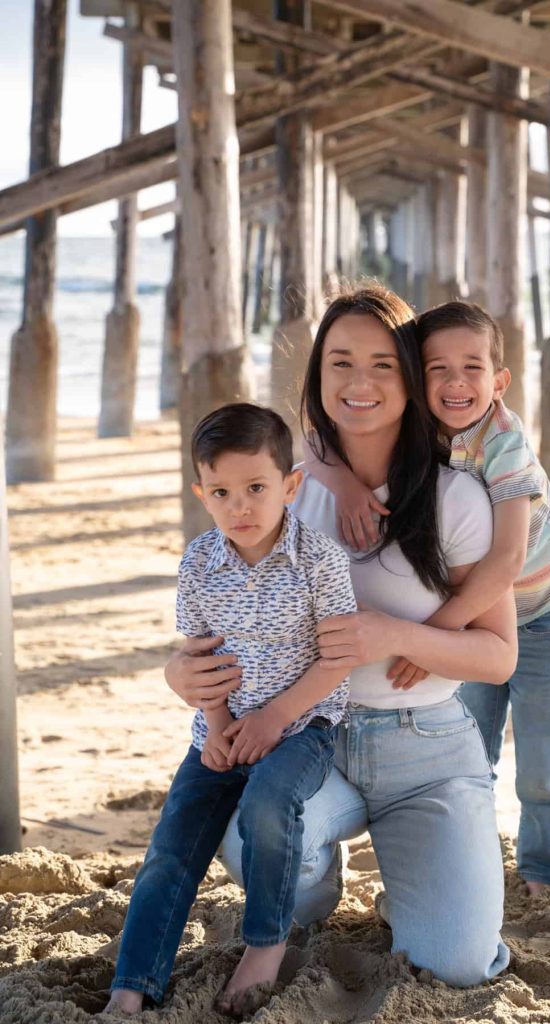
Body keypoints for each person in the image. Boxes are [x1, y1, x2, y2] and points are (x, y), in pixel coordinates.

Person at [165, 285, 519, 989]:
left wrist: (395, 634)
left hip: (425, 747)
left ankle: (415, 889)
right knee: (256, 842)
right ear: (317, 376)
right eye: (340, 362)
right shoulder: (279, 489)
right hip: (304, 740)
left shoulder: (456, 496)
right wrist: (179, 673)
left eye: (383, 364)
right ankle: (314, 884)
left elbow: (498, 654)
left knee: (455, 964)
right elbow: (213, 608)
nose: (360, 382)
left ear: (411, 378)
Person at [312, 299, 550, 894]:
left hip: (536, 615)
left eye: (472, 369)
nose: (456, 384)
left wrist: (436, 633)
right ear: (418, 378)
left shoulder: (503, 443)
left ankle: (541, 870)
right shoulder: (423, 430)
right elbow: (314, 443)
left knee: (541, 764)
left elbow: (506, 560)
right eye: (438, 369)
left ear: (499, 381)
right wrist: (345, 485)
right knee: (475, 747)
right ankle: (474, 859)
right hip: (472, 617)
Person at [105, 403, 356, 1017]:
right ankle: (132, 984)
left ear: (290, 486)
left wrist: (273, 719)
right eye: (221, 493)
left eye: (256, 488)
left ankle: (265, 947)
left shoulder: (319, 559)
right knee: (171, 845)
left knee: (269, 803)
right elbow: (200, 655)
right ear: (202, 494)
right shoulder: (199, 563)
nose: (240, 506)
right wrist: (217, 729)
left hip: (302, 727)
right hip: (218, 731)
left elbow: (338, 660)